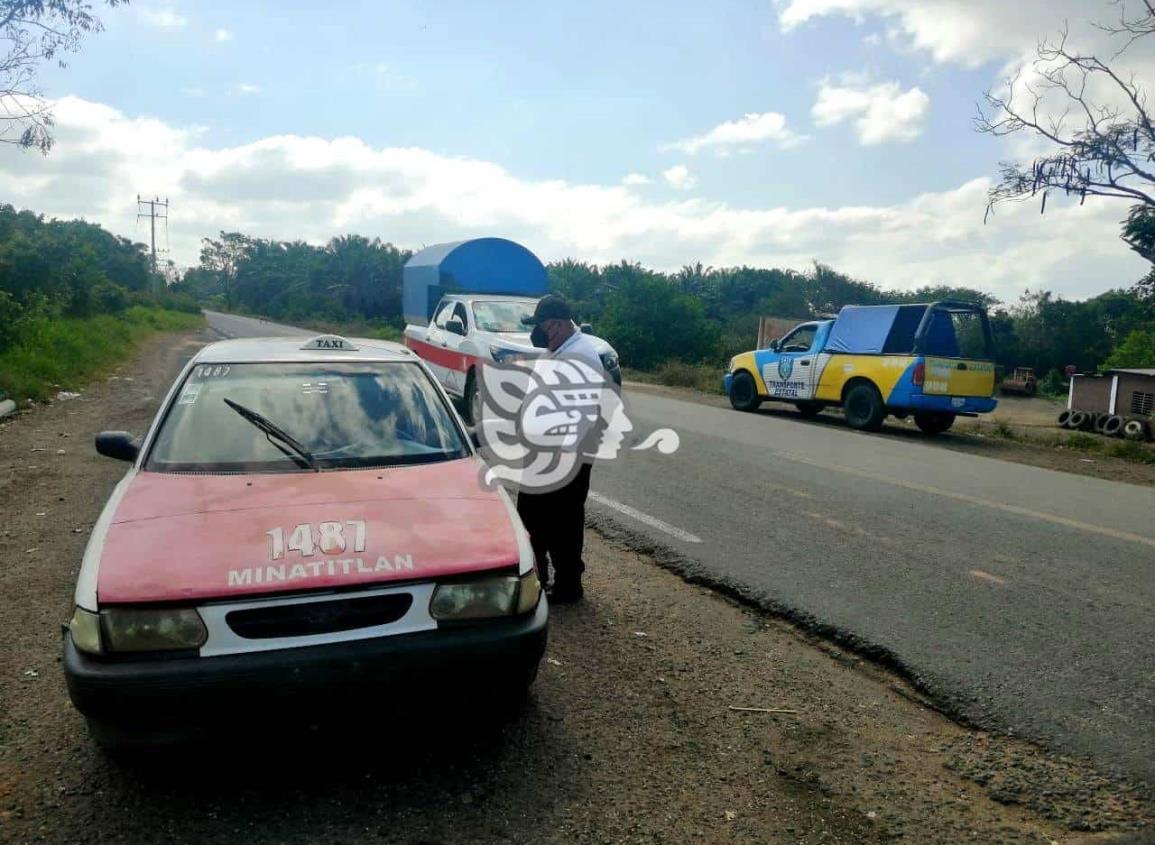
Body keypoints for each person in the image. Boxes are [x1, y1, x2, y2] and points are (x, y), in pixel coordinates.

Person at [516, 294, 603, 603]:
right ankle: (547, 580)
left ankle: (565, 587)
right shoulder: (561, 350)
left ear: (554, 325)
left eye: (539, 326)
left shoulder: (578, 357)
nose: (536, 333)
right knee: (542, 520)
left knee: (558, 523)